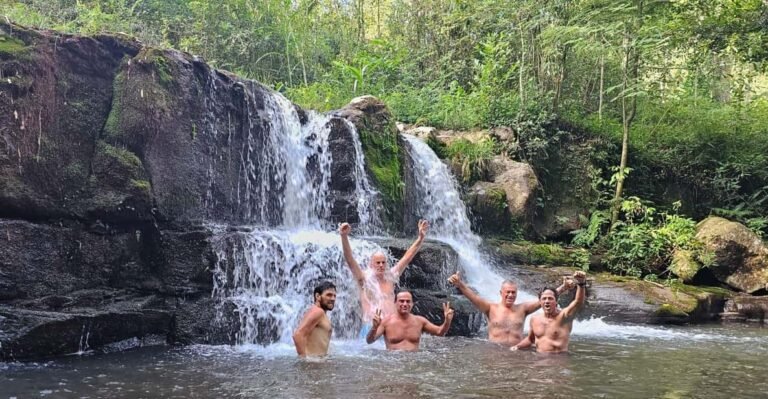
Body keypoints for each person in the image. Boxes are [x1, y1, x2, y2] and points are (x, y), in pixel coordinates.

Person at [339, 220, 428, 321]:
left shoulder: (391, 276)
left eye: (383, 262)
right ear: (371, 264)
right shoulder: (364, 278)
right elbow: (350, 260)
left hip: (391, 326)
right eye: (378, 263)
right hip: (371, 326)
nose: (381, 265)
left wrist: (420, 238)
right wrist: (344, 236)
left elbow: (407, 257)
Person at [447, 273, 568, 346]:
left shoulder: (523, 308)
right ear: (501, 293)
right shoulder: (490, 308)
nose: (510, 295)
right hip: (495, 352)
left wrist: (563, 287)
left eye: (513, 292)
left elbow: (545, 300)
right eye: (508, 292)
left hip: (517, 353)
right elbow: (473, 297)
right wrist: (459, 283)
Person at [510, 271, 587, 353]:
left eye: (550, 298)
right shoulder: (534, 319)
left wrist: (581, 283)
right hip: (539, 360)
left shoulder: (564, 316)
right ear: (540, 302)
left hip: (558, 361)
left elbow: (578, 302)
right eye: (544, 298)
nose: (547, 301)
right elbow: (530, 340)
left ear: (556, 302)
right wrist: (517, 346)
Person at [366, 290, 454, 351]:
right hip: (393, 362)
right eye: (401, 301)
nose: (405, 304)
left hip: (414, 361)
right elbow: (369, 341)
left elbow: (440, 332)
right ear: (395, 303)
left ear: (412, 304)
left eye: (408, 301)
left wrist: (447, 321)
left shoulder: (420, 321)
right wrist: (374, 327)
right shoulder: (386, 322)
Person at [292, 281, 337, 357]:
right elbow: (298, 335)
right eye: (329, 295)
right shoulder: (317, 311)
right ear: (318, 296)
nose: (333, 298)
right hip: (313, 365)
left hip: (317, 364)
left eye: (334, 296)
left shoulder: (320, 313)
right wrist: (304, 362)